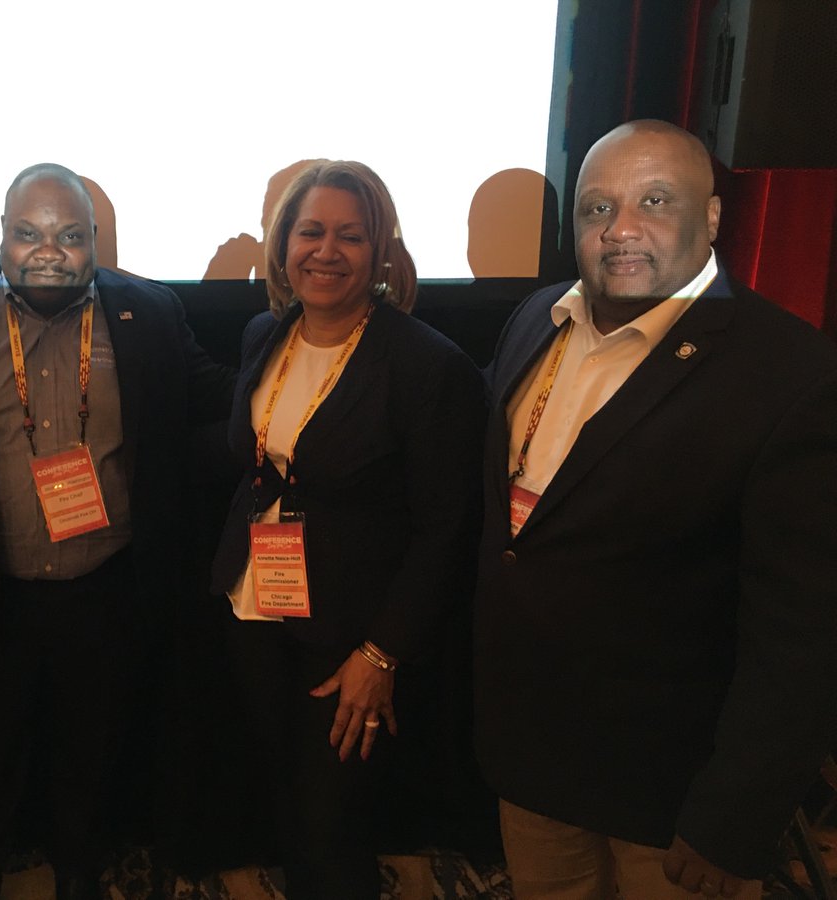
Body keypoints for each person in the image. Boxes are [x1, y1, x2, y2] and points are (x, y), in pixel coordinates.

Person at [474, 119, 837, 899]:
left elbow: (806, 634)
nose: (622, 229)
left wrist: (735, 815)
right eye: (597, 209)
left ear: (710, 218)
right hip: (536, 759)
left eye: (655, 201)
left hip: (672, 797)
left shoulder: (793, 375)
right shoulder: (537, 319)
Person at [0, 163, 232, 900]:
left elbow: (220, 403)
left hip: (103, 586)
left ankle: (79, 871)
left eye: (69, 236)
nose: (48, 251)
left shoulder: (150, 313)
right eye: (28, 233)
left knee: (91, 750)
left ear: (95, 242)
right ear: (3, 236)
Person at [210, 160, 486, 899]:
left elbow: (445, 530)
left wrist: (383, 652)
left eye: (350, 236)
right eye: (310, 232)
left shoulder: (428, 366)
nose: (325, 252)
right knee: (288, 805)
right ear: (282, 244)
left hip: (352, 637)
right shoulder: (264, 334)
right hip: (257, 610)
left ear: (382, 252)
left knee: (332, 826)